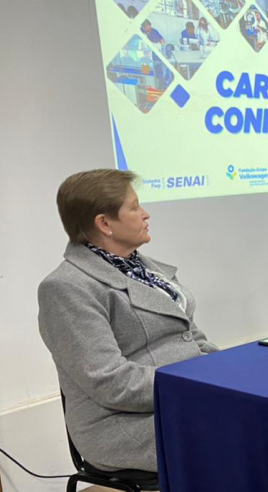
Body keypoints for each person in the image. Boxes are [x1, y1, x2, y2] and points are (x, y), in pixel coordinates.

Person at [38, 169, 217, 473]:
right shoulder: (66, 287)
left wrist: (227, 372)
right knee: (240, 429)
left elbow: (192, 336)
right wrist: (195, 386)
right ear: (104, 223)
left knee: (264, 410)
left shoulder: (150, 271)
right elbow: (110, 382)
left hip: (182, 397)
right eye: (134, 207)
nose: (145, 214)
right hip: (122, 423)